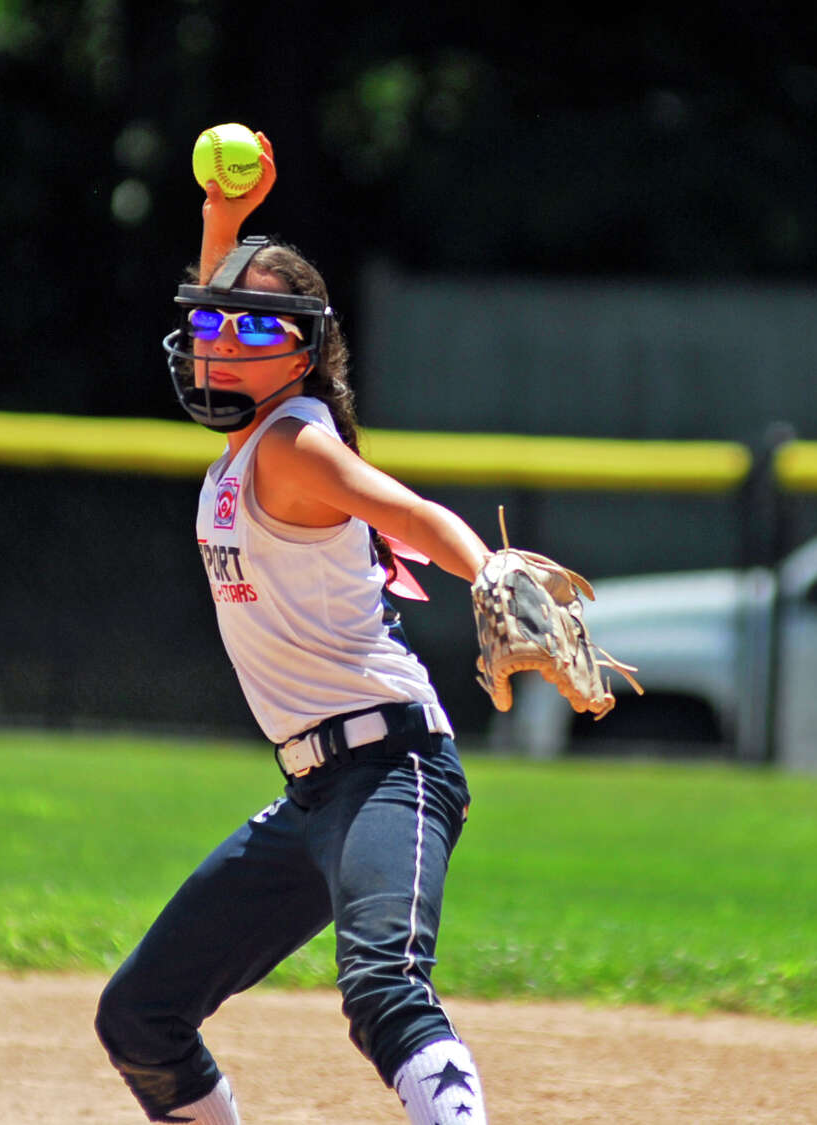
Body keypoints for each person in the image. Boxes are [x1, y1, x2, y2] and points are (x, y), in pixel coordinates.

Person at [95, 131, 492, 1125]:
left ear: (304, 356)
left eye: (252, 332)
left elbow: (406, 513)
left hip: (392, 765)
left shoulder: (297, 442)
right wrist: (220, 216)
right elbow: (226, 293)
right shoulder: (252, 437)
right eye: (215, 323)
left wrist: (489, 572)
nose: (221, 342)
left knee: (384, 994)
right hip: (316, 792)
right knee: (141, 1016)